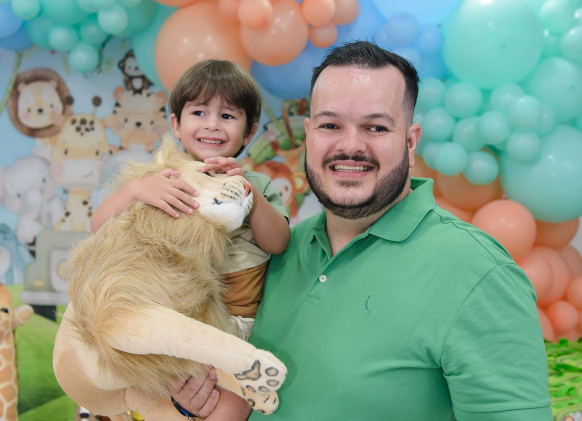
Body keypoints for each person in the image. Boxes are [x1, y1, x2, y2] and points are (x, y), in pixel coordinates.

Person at [172, 41, 552, 420]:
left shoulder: (479, 272)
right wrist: (199, 405)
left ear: (410, 142)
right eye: (330, 125)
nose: (350, 146)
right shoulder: (277, 250)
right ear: (309, 134)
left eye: (376, 127)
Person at [90, 59, 291, 420]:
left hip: (232, 326)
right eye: (199, 112)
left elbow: (278, 243)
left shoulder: (254, 183)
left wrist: (251, 198)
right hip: (173, 315)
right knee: (124, 376)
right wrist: (136, 190)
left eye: (227, 116)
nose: (212, 124)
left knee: (232, 404)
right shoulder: (160, 177)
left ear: (249, 132)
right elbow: (99, 226)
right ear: (176, 126)